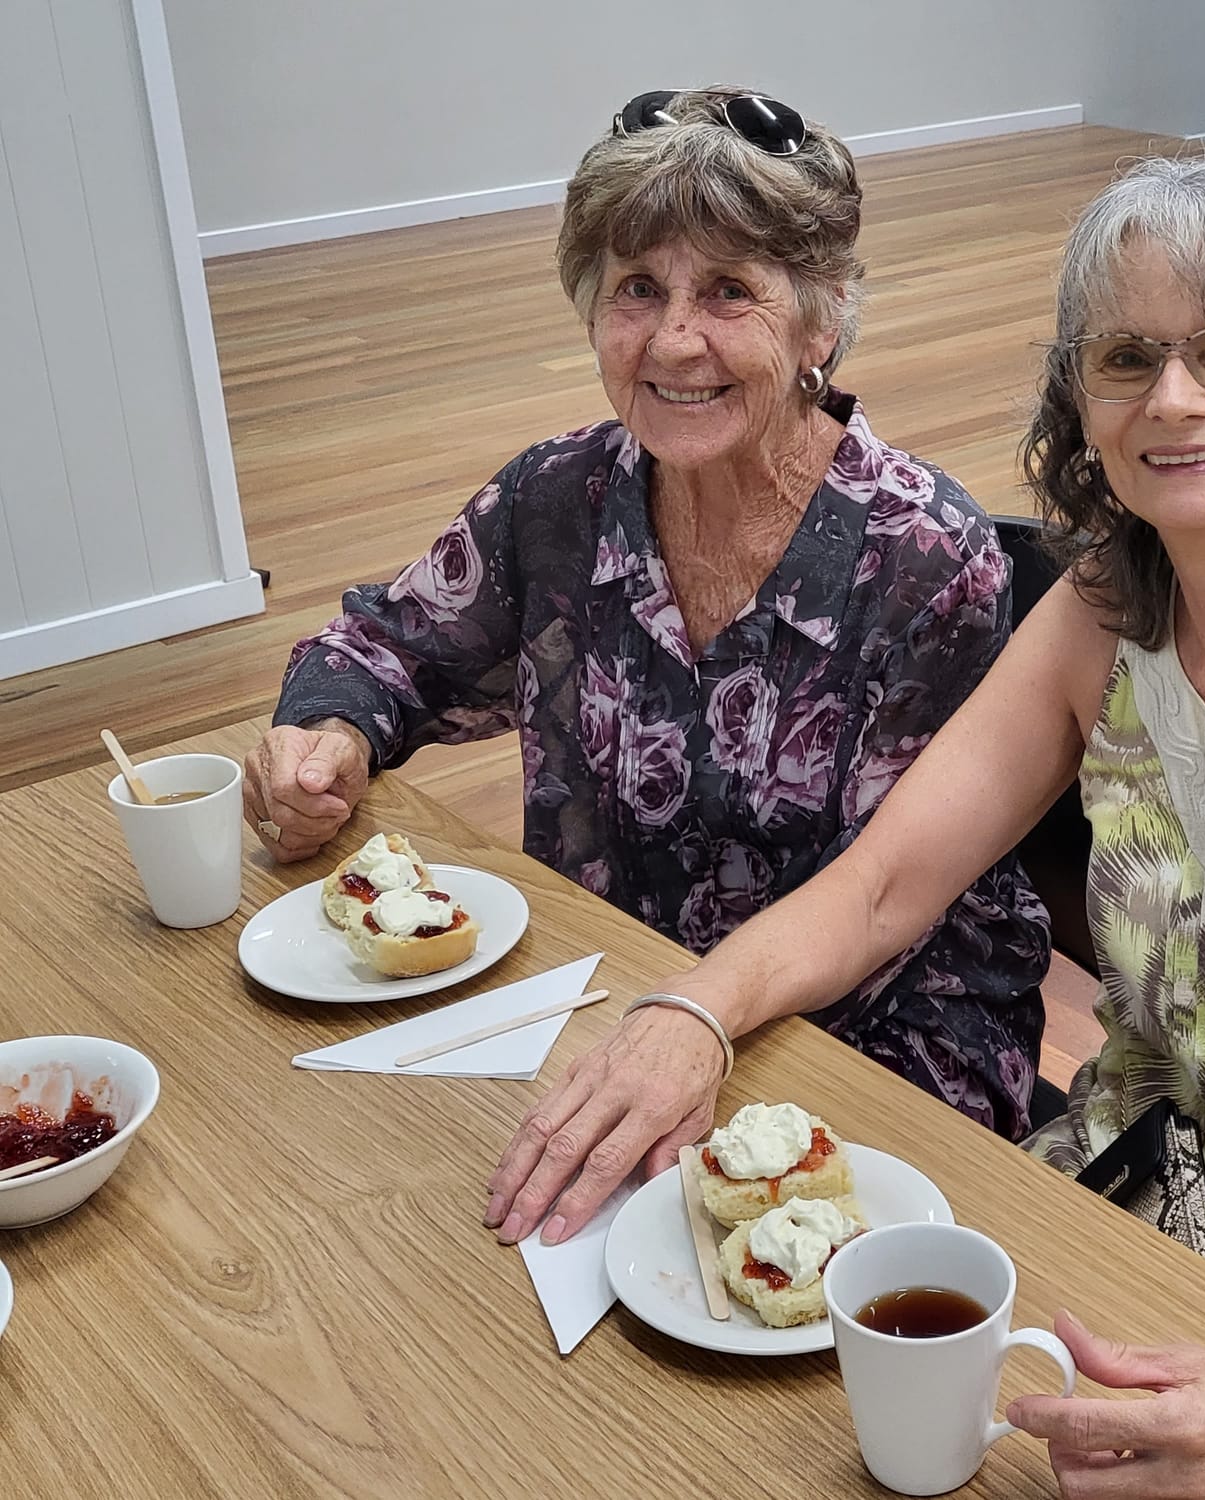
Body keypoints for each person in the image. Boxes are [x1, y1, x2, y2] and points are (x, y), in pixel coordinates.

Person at [485, 147, 1205, 1490]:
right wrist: (690, 1017)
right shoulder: (1099, 622)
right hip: (1141, 1206)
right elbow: (889, 882)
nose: (1173, 399)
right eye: (1125, 359)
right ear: (1080, 398)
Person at [244, 88, 1051, 1238]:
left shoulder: (922, 555)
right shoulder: (555, 501)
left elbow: (889, 902)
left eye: (729, 291)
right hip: (610, 992)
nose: (675, 340)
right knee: (378, 1209)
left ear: (819, 324)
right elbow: (385, 648)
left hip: (875, 1029)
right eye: (637, 290)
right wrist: (327, 734)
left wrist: (694, 1025)